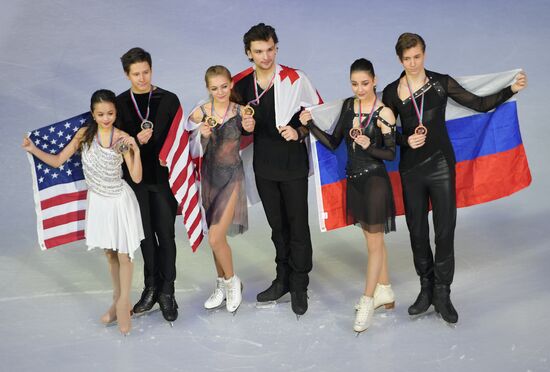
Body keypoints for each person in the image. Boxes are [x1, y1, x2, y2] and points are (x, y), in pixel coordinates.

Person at [382, 33, 528, 324]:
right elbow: (384, 134)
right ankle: (426, 290)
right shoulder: (389, 92)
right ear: (400, 59)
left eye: (417, 56)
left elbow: (479, 104)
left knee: (444, 231)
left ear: (424, 54)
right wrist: (404, 140)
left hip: (440, 166)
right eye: (407, 58)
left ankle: (443, 293)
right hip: (410, 170)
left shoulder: (440, 83)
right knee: (417, 232)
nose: (413, 63)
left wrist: (511, 89)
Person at [22, 89, 143, 335]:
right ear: (93, 114)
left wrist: (136, 150)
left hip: (118, 201)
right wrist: (32, 149)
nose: (106, 118)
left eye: (110, 113)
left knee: (123, 255)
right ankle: (118, 299)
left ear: (115, 112)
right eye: (101, 114)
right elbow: (57, 161)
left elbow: (137, 178)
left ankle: (122, 305)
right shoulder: (84, 136)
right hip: (99, 202)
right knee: (110, 254)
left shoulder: (121, 139)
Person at [300, 58, 396, 333]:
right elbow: (332, 143)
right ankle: (385, 289)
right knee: (372, 239)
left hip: (376, 181)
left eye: (365, 83)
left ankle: (367, 301)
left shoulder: (385, 113)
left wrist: (369, 145)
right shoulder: (348, 106)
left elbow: (390, 154)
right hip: (354, 181)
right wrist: (310, 126)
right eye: (354, 84)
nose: (360, 89)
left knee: (374, 243)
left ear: (375, 80)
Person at [233, 23, 322, 317]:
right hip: (265, 166)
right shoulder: (242, 85)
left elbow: (316, 114)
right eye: (259, 51)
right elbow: (225, 118)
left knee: (297, 227)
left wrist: (298, 130)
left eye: (270, 49)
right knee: (277, 227)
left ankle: (299, 284)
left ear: (276, 48)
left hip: (293, 163)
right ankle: (282, 279)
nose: (266, 56)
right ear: (249, 53)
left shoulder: (295, 78)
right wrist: (241, 126)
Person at [116, 47, 181, 322]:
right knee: (145, 237)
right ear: (127, 74)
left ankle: (167, 291)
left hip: (164, 180)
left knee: (165, 236)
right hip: (136, 181)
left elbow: (180, 138)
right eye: (136, 74)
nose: (142, 78)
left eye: (146, 72)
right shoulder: (119, 104)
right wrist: (133, 140)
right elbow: (113, 142)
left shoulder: (169, 100)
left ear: (151, 70)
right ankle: (151, 288)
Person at [189, 65, 255, 313]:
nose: (220, 92)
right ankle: (221, 284)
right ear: (208, 89)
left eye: (224, 86)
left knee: (216, 236)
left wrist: (249, 125)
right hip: (209, 179)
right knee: (215, 237)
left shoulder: (241, 111)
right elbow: (190, 148)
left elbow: (250, 129)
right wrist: (201, 135)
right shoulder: (200, 113)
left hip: (232, 178)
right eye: (214, 88)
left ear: (231, 85)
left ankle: (232, 282)